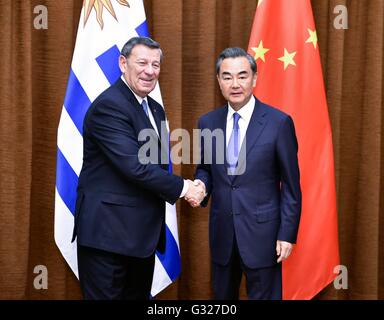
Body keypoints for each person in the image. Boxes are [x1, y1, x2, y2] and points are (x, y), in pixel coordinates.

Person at [71, 36, 204, 300]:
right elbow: (136, 167)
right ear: (123, 63)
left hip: (140, 239)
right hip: (107, 238)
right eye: (142, 62)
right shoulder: (109, 106)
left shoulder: (153, 108)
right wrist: (185, 187)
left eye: (155, 65)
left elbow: (155, 166)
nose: (149, 71)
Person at [191, 47, 302, 299]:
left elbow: (292, 187)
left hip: (264, 237)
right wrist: (200, 184)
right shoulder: (208, 122)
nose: (235, 83)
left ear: (254, 79)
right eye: (227, 76)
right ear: (219, 81)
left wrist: (287, 234)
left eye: (242, 76)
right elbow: (206, 168)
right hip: (223, 236)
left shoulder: (279, 122)